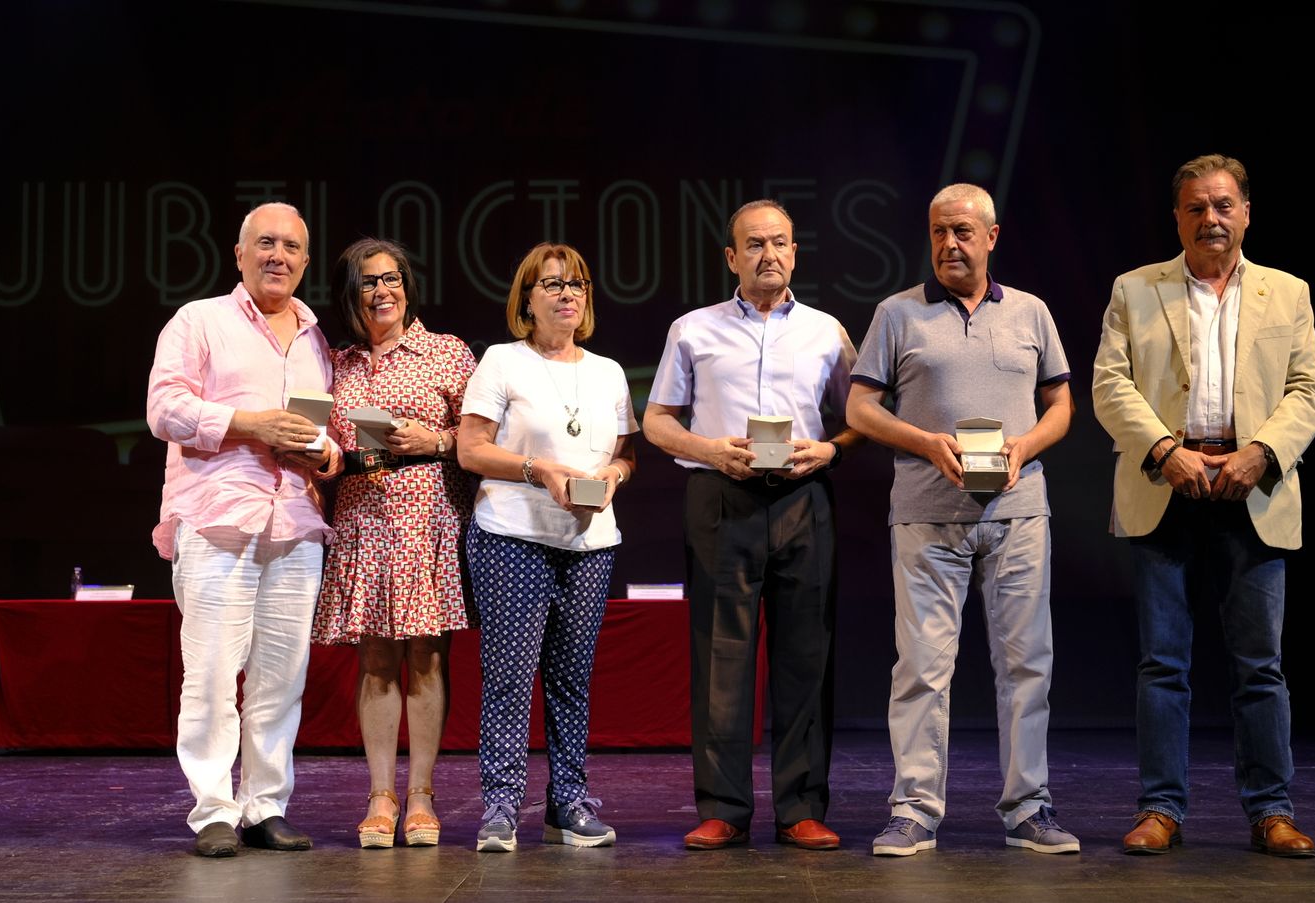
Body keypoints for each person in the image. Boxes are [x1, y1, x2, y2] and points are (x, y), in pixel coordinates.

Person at [1091, 154, 1315, 858]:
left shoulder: (1288, 293)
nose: (1211, 218)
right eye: (1196, 207)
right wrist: (1165, 450)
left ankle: (1271, 810)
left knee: (1260, 665)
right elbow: (1110, 385)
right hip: (1169, 484)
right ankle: (1162, 808)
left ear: (1247, 212)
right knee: (1163, 662)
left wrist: (1261, 453)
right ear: (1178, 216)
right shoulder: (1136, 290)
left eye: (1223, 205)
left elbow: (1308, 392)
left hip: (1253, 487)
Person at [845, 184, 1077, 857]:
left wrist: (1023, 448)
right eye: (940, 231)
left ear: (992, 236)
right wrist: (927, 442)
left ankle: (1029, 807)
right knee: (921, 666)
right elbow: (861, 410)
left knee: (1027, 663)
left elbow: (1061, 405)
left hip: (1019, 512)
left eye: (964, 232)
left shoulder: (1031, 313)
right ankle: (914, 809)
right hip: (927, 515)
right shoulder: (898, 313)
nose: (950, 243)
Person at [643, 200, 860, 851]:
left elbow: (862, 416)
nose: (769, 254)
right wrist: (709, 449)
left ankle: (800, 807)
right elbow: (656, 419)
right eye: (755, 244)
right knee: (720, 655)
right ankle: (724, 807)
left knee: (806, 655)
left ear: (795, 252)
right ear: (731, 257)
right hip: (721, 496)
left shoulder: (827, 330)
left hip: (804, 499)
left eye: (781, 243)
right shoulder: (693, 329)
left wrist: (832, 449)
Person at [146, 201, 340, 857]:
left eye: (290, 246)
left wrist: (323, 454)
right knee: (210, 672)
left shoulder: (316, 339)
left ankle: (264, 805)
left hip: (294, 520)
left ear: (305, 261)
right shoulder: (199, 320)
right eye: (264, 243)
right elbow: (164, 407)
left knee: (282, 678)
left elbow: (329, 438)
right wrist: (250, 424)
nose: (277, 255)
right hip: (217, 515)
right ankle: (213, 811)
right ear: (239, 253)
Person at [457, 242, 637, 852]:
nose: (568, 294)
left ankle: (569, 803)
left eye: (578, 284)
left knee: (571, 679)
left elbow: (625, 454)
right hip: (513, 538)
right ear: (526, 300)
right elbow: (471, 450)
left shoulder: (609, 371)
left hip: (590, 543)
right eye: (553, 284)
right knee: (509, 677)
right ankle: (502, 806)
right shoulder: (502, 361)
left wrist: (612, 477)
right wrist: (539, 471)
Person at [310, 238, 477, 849]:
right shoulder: (336, 362)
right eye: (367, 283)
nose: (382, 292)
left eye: (391, 279)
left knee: (427, 658)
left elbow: (482, 437)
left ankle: (423, 796)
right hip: (364, 519)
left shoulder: (446, 352)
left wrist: (429, 441)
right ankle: (381, 794)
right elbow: (321, 448)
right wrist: (328, 457)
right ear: (350, 295)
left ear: (408, 285)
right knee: (377, 660)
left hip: (428, 517)